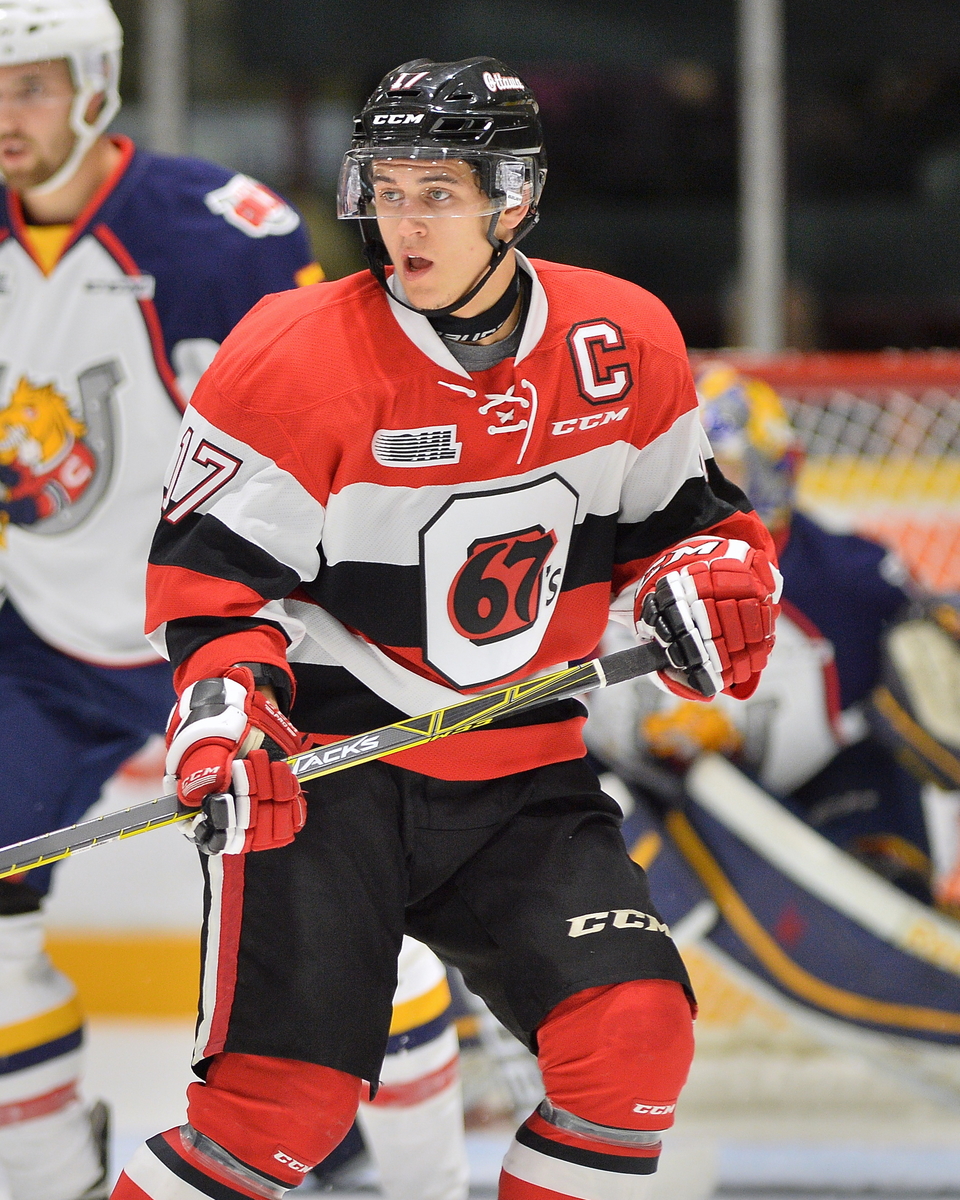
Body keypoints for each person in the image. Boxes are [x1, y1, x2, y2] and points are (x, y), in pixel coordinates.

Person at [112, 57, 780, 1200]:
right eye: (388, 190)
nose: (403, 223)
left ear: (514, 202)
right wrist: (227, 714)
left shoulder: (620, 341)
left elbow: (691, 530)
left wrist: (712, 581)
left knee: (633, 1039)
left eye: (437, 193)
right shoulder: (292, 354)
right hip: (330, 775)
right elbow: (214, 591)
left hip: (522, 769)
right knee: (276, 1116)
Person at [0, 2, 319, 1197]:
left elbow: (323, 443)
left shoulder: (217, 234)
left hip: (232, 637)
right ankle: (47, 1173)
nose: (6, 115)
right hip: (47, 641)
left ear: (96, 86)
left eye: (31, 86)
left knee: (341, 913)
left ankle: (380, 1156)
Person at [586, 361, 933, 902]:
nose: (686, 490)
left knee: (881, 782)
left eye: (715, 468)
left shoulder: (850, 582)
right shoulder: (578, 556)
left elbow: (927, 676)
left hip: (798, 806)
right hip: (619, 789)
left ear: (771, 474)